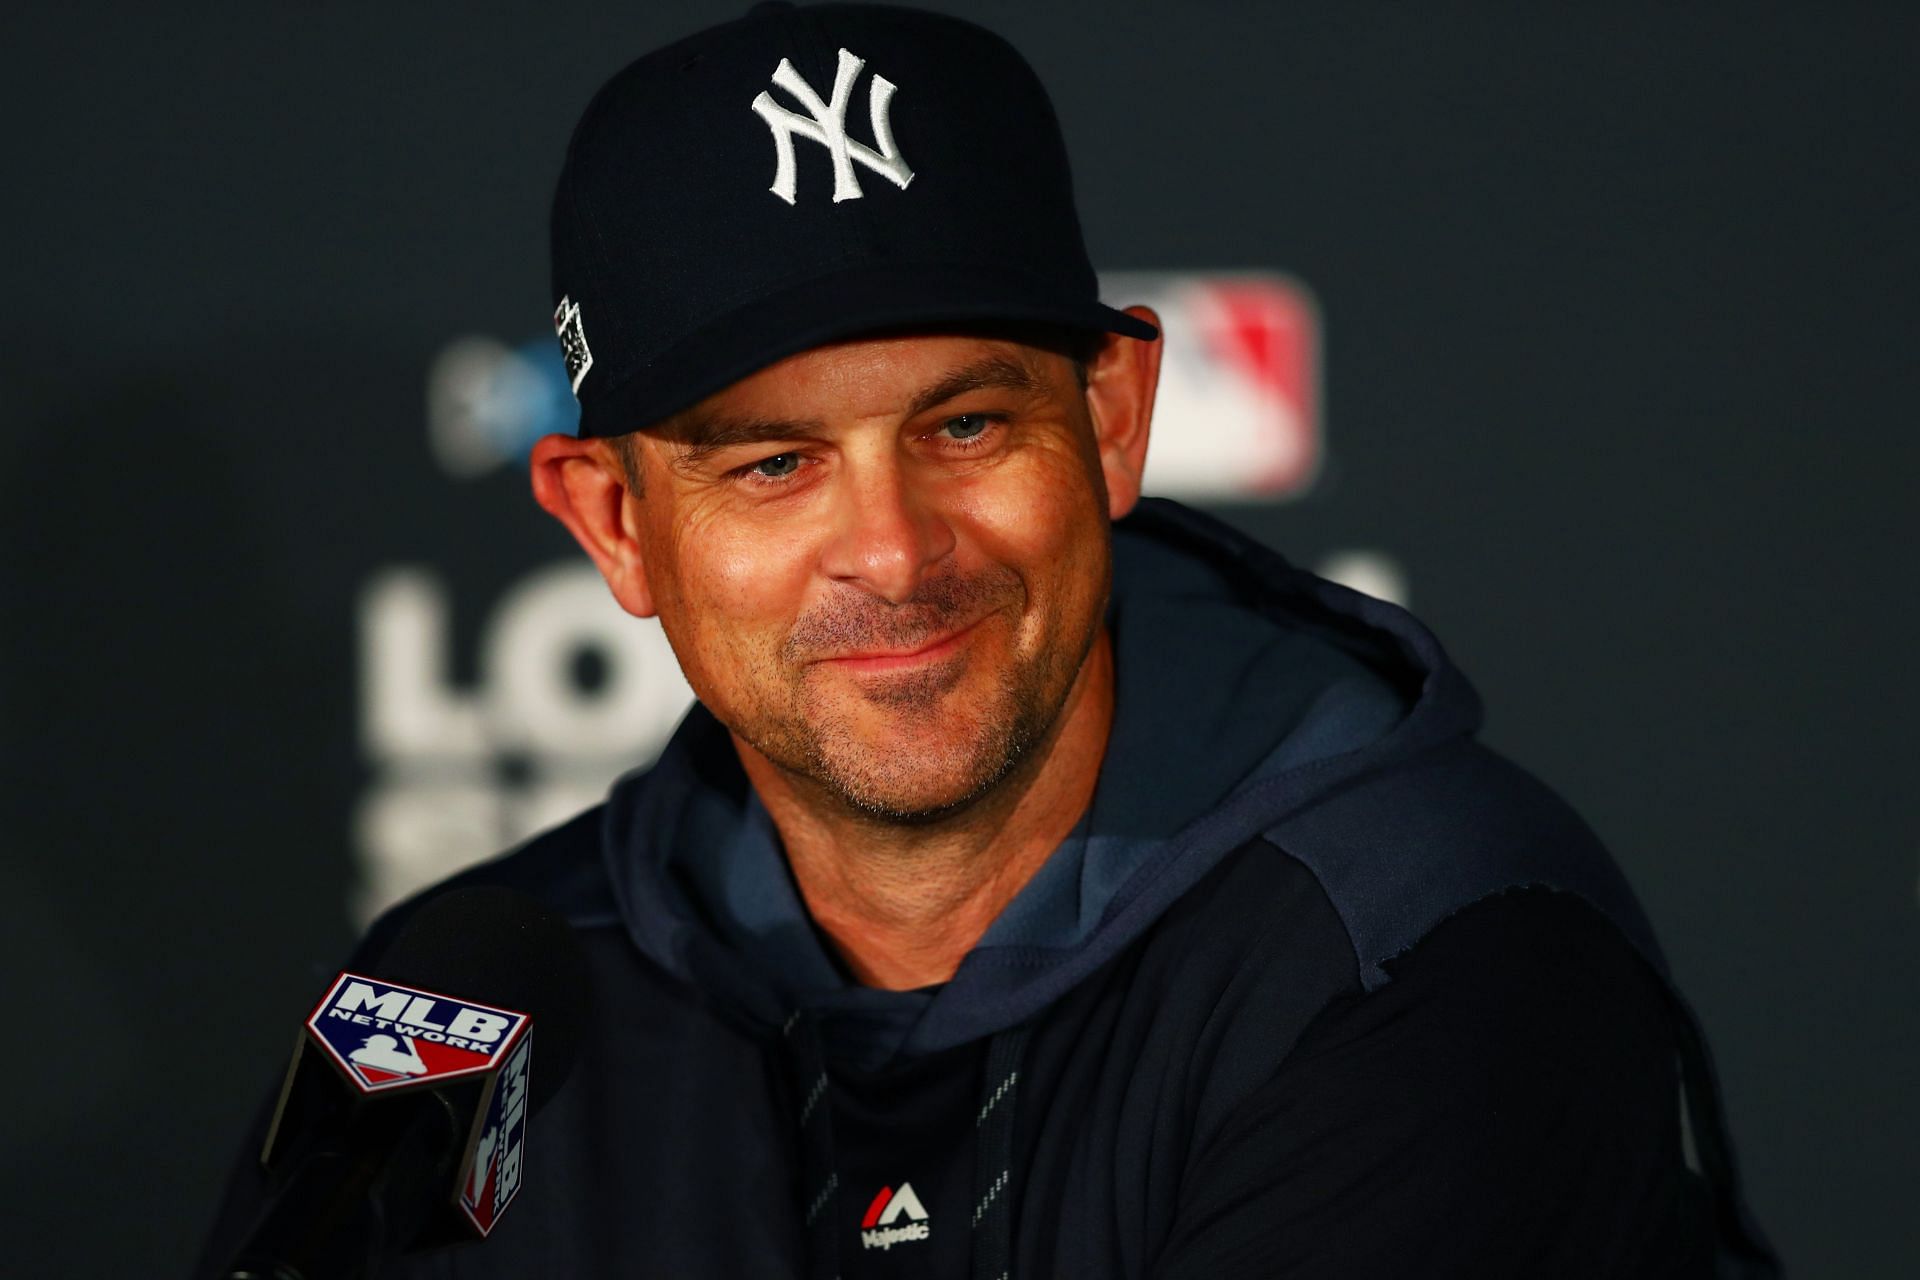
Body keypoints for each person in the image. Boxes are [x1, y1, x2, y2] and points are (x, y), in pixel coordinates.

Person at [204, 3, 1778, 1276]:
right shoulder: (460, 1000)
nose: (891, 550)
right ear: (613, 520)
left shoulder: (1431, 954)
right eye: (774, 462)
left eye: (965, 426)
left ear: (1109, 422)